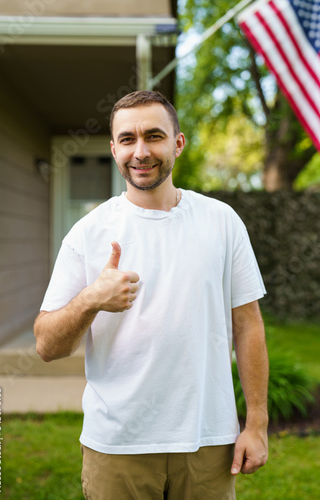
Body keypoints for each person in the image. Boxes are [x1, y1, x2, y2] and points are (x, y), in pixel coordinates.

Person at [34, 90, 269, 500]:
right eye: (127, 140)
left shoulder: (221, 222)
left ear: (177, 143)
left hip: (208, 441)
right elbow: (46, 345)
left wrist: (257, 425)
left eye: (154, 136)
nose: (140, 152)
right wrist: (92, 299)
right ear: (114, 149)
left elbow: (248, 325)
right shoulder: (88, 234)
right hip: (118, 447)